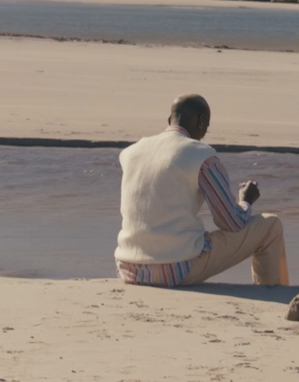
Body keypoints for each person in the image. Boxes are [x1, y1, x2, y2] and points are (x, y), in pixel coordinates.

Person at [113, 94, 289, 288]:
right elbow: (231, 222)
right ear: (201, 121)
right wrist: (245, 201)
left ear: (169, 120)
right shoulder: (201, 155)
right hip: (176, 269)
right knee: (271, 226)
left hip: (129, 268)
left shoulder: (131, 152)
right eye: (206, 126)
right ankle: (272, 290)